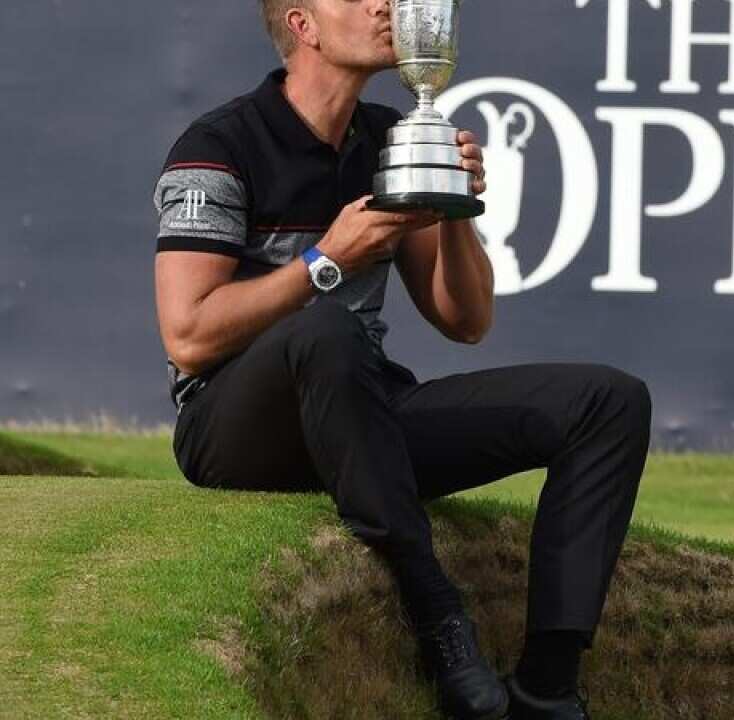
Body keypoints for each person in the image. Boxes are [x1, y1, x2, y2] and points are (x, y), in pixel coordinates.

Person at [151, 1, 652, 718]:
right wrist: (327, 260)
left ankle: (548, 684)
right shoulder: (219, 145)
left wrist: (454, 212)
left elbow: (467, 321)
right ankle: (438, 613)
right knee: (327, 329)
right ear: (304, 25)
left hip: (362, 415)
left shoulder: (391, 136)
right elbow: (189, 337)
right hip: (233, 428)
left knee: (610, 401)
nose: (386, 4)